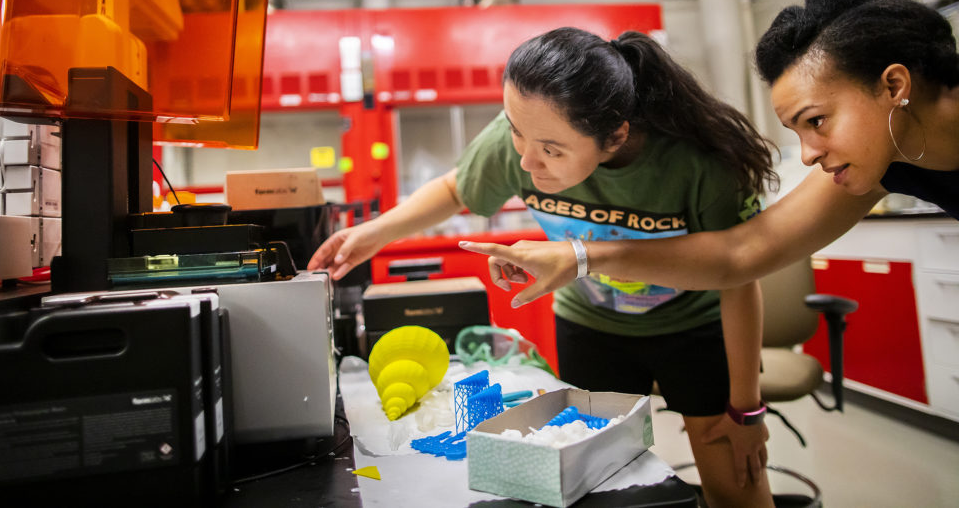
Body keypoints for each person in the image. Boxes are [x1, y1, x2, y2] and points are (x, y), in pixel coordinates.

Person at [310, 26, 777, 507]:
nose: (527, 162)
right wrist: (373, 235)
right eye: (515, 131)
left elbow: (739, 278)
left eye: (552, 150)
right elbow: (457, 189)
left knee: (735, 482)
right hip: (592, 326)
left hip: (695, 328)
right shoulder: (524, 139)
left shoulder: (696, 164)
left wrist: (746, 411)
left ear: (614, 137)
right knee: (595, 487)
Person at [459, 0, 959, 309]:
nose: (808, 152)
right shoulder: (890, 157)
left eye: (817, 121)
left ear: (894, 86)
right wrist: (580, 256)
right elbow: (744, 252)